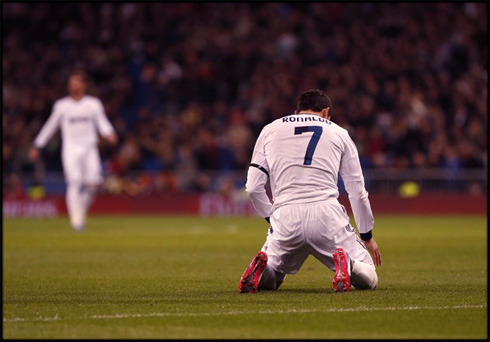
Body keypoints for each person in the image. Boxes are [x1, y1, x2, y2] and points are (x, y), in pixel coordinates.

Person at [239, 89, 382, 293]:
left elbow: (253, 187)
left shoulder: (270, 129)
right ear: (325, 112)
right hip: (326, 214)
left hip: (285, 214)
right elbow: (357, 191)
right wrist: (367, 235)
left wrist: (272, 219)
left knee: (274, 273)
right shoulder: (339, 132)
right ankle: (349, 264)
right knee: (370, 275)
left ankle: (263, 269)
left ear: (297, 112)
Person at [30, 70, 117, 231]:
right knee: (74, 182)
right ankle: (76, 221)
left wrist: (109, 132)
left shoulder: (93, 104)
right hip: (71, 148)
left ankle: (80, 211)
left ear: (84, 85)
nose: (73, 85)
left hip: (90, 148)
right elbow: (50, 126)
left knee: (93, 184)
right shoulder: (62, 106)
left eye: (77, 82)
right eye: (71, 82)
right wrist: (38, 145)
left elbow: (101, 121)